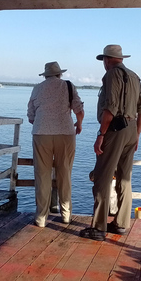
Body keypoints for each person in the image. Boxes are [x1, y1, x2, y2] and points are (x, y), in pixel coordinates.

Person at [81, 45, 141, 241]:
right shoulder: (134, 76)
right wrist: (137, 134)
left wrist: (101, 134)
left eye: (104, 60)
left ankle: (99, 228)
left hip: (115, 130)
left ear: (107, 60)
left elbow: (110, 108)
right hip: (131, 130)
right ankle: (120, 224)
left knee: (102, 177)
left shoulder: (111, 75)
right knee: (124, 178)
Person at [27, 61, 84, 227]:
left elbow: (31, 115)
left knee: (42, 175)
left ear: (45, 75)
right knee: (64, 173)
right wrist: (79, 124)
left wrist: (44, 124)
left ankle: (41, 218)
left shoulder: (37, 88)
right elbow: (78, 110)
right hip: (65, 133)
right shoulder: (68, 86)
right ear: (60, 74)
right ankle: (66, 215)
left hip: (41, 134)